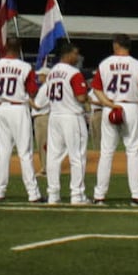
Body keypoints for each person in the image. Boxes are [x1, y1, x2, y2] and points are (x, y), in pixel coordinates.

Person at [87, 37, 138, 206]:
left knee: (106, 152)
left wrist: (108, 104)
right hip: (130, 107)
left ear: (116, 46)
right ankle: (137, 195)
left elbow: (96, 89)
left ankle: (99, 196)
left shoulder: (105, 63)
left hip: (110, 107)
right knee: (133, 152)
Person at [36, 41, 91, 205]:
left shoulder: (52, 73)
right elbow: (81, 97)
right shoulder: (73, 72)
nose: (77, 56)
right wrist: (89, 97)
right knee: (77, 156)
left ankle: (53, 195)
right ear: (67, 54)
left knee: (53, 157)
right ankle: (77, 195)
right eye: (75, 53)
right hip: (71, 116)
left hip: (55, 116)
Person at [0, 38, 42, 203]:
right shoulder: (25, 67)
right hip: (18, 108)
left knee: (3, 152)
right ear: (19, 49)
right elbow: (32, 91)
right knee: (24, 152)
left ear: (5, 48)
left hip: (1, 107)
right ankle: (33, 194)